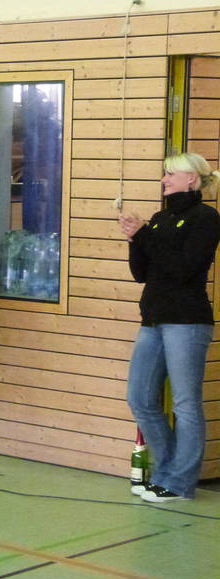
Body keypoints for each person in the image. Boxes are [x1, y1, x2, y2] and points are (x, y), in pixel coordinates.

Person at [118, 152, 220, 503]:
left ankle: (179, 482)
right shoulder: (161, 219)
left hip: (187, 322)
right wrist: (135, 239)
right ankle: (166, 472)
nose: (164, 180)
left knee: (185, 403)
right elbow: (142, 273)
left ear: (191, 178)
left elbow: (182, 268)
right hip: (153, 319)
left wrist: (146, 235)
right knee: (140, 398)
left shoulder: (206, 218)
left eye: (170, 174)